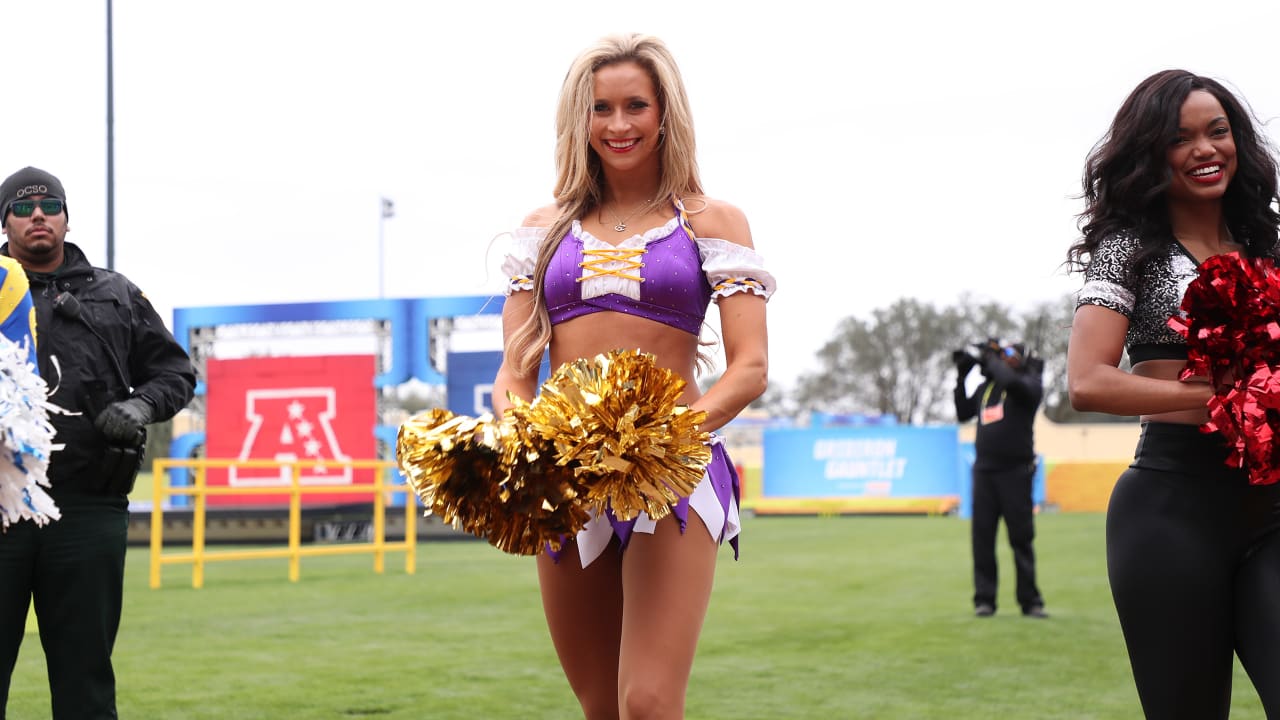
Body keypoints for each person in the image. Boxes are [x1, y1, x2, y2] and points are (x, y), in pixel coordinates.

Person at [491, 33, 773, 720]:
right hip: (567, 481)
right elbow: (512, 375)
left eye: (635, 106)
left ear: (664, 112)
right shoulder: (544, 230)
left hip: (672, 474)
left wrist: (659, 438)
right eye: (601, 108)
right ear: (579, 120)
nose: (618, 125)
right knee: (601, 708)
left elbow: (751, 368)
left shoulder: (712, 221)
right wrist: (526, 438)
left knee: (646, 702)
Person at [1066, 70, 1280, 717]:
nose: (1205, 149)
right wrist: (1223, 394)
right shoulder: (1129, 250)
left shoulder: (1270, 244)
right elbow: (1088, 381)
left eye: (1218, 131)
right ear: (1152, 152)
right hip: (1170, 509)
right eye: (1181, 138)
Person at [0, 167, 197, 719]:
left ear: (65, 217)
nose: (37, 215)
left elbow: (175, 374)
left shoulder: (114, 293)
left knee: (84, 678)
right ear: (5, 221)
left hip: (86, 506)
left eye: (49, 204)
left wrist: (139, 406)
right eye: (22, 206)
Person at [953, 339, 1047, 619]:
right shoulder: (986, 389)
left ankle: (1030, 601)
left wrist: (990, 357)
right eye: (1000, 354)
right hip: (984, 472)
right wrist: (961, 376)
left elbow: (1013, 383)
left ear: (1020, 358)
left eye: (1008, 353)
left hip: (1016, 472)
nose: (1002, 359)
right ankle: (984, 600)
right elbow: (961, 412)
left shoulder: (1028, 384)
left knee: (1021, 538)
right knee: (982, 538)